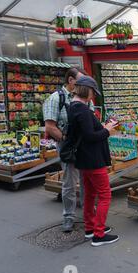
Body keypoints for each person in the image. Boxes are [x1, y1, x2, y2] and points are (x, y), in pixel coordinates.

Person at [68, 76, 119, 246]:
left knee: (90, 194)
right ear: (86, 90)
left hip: (84, 159)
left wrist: (102, 126)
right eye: (92, 92)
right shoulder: (82, 110)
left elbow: (85, 133)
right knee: (105, 195)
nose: (92, 96)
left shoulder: (73, 107)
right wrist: (106, 129)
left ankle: (90, 228)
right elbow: (91, 136)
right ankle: (99, 234)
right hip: (93, 159)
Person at [43, 68, 94, 232]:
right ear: (71, 80)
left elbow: (90, 122)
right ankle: (69, 218)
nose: (83, 84)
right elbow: (50, 127)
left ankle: (88, 215)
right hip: (68, 147)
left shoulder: (86, 97)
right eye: (80, 80)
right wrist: (68, 140)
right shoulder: (56, 98)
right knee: (69, 184)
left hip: (84, 147)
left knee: (87, 182)